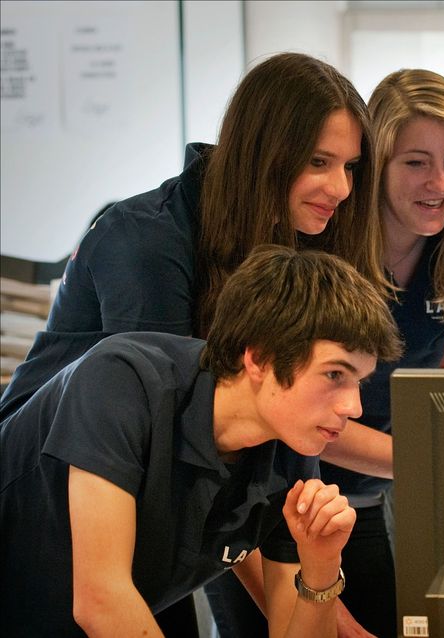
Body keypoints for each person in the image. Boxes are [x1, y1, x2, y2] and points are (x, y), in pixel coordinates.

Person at [0, 52, 384, 637]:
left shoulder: (289, 257)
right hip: (51, 493)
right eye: (318, 162)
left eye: (350, 166)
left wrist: (318, 579)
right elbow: (165, 439)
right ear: (265, 154)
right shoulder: (147, 247)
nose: (341, 187)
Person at [0, 246, 405, 636]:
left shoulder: (290, 450)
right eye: (335, 375)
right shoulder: (122, 381)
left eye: (360, 382)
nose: (353, 407)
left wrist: (321, 567)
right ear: (259, 359)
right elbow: (101, 602)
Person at [316, 68, 444, 638]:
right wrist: (436, 461)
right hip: (281, 500)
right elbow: (318, 424)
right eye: (416, 162)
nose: (440, 182)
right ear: (376, 166)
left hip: (365, 499)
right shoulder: (325, 263)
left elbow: (441, 366)